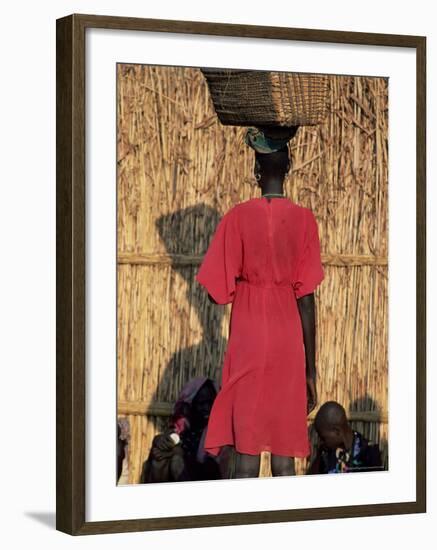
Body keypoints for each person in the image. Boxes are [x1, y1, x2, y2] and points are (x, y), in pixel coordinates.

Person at [195, 125, 325, 478]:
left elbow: (214, 292)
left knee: (246, 452)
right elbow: (307, 299)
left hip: (249, 336)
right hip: (287, 338)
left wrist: (245, 279)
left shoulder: (236, 218)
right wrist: (310, 370)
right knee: (284, 454)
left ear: (255, 170)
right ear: (289, 166)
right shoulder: (304, 221)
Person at [140, 376, 235, 482]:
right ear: (191, 405)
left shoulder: (219, 433)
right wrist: (162, 445)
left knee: (176, 460)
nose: (207, 408)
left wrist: (179, 454)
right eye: (201, 403)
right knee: (159, 450)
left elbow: (212, 471)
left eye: (210, 403)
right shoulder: (182, 428)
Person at [308, 401, 383, 474]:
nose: (321, 442)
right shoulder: (325, 453)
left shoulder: (370, 453)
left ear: (337, 431)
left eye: (323, 438)